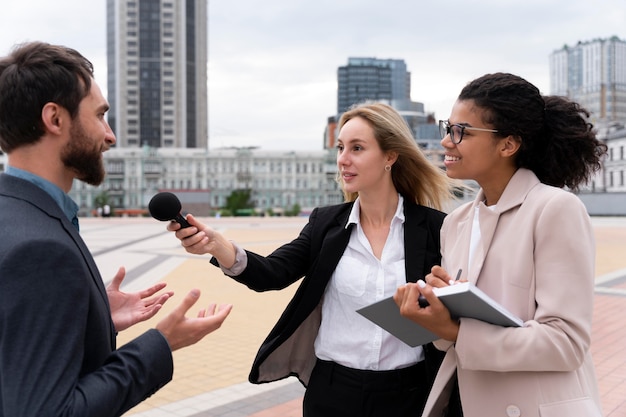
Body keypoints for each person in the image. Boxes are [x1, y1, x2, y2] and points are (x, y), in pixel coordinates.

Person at [167, 101, 457, 417]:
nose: (343, 160)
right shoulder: (326, 224)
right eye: (341, 148)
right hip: (332, 391)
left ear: (390, 156)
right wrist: (216, 245)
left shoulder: (435, 228)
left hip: (409, 393)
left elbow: (455, 311)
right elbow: (272, 273)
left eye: (357, 148)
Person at [0, 41, 233, 417]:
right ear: (55, 119)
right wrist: (161, 343)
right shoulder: (41, 250)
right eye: (100, 116)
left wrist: (91, 318)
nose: (110, 136)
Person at [393, 72, 607, 417]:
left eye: (461, 132)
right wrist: (432, 316)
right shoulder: (456, 223)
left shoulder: (554, 209)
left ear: (508, 145)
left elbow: (566, 343)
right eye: (449, 128)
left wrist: (455, 329)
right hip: (469, 401)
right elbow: (453, 339)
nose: (448, 141)